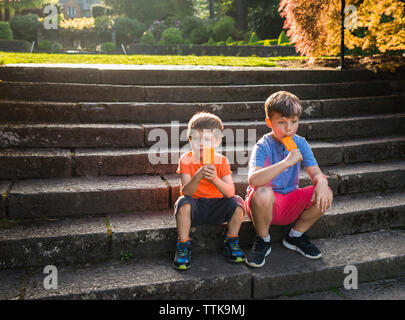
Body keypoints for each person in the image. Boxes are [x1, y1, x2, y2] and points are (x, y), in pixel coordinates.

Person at [245, 91, 333, 268]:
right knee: (262, 191)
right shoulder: (263, 145)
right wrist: (286, 162)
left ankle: (294, 236)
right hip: (265, 204)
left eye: (294, 122)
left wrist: (322, 182)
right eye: (282, 122)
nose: (289, 128)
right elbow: (254, 180)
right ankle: (263, 239)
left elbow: (316, 174)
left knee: (326, 192)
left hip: (290, 201)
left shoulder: (300, 143)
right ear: (269, 122)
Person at [173, 111, 246, 270]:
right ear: (190, 140)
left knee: (238, 202)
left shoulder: (221, 160)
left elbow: (229, 192)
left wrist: (215, 179)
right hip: (196, 206)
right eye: (196, 138)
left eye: (206, 139)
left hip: (217, 207)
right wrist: (198, 176)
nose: (201, 144)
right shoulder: (186, 159)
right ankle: (183, 244)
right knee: (182, 203)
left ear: (217, 142)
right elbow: (186, 192)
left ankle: (232, 240)